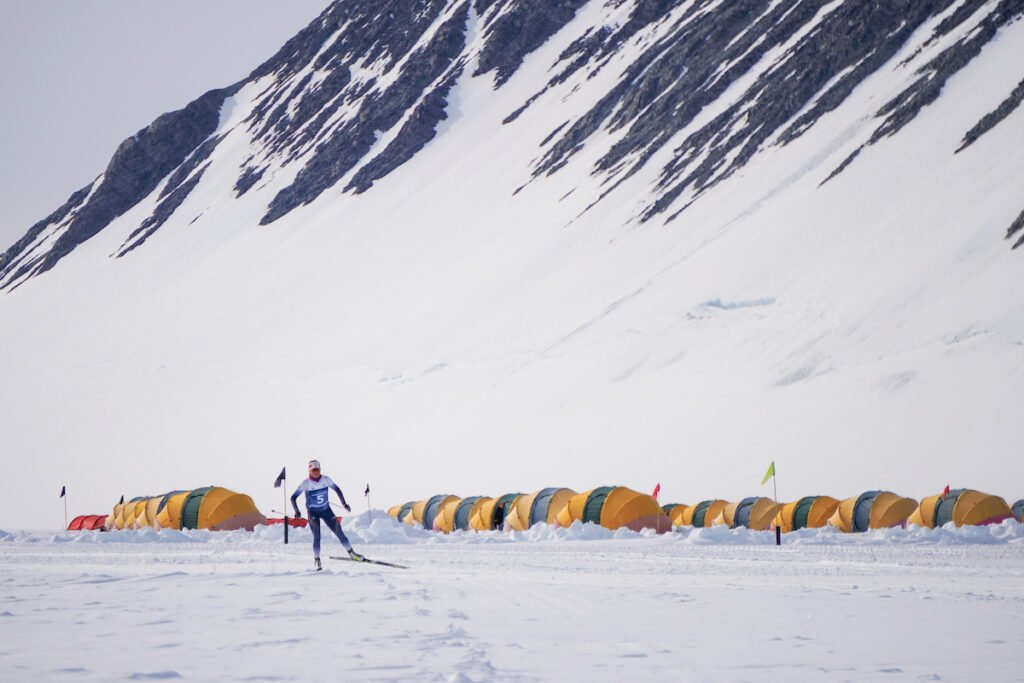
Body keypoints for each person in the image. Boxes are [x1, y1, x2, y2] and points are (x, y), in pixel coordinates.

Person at [291, 459, 362, 570]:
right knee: (317, 537)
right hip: (313, 512)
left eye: (318, 469)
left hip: (326, 510)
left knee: (339, 532)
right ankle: (317, 561)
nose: (316, 472)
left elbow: (337, 489)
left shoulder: (326, 479)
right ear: (309, 470)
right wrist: (297, 511)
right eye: (314, 470)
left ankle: (352, 553)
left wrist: (344, 503)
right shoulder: (306, 483)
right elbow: (293, 498)